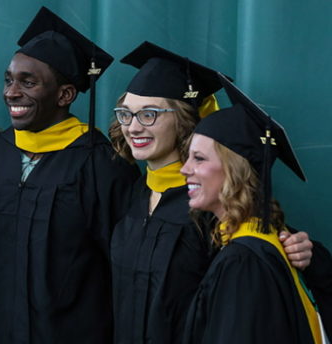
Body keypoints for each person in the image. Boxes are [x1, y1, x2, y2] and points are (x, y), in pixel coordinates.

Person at [109, 41, 322, 344]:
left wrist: (305, 252)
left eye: (149, 114)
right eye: (126, 114)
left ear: (184, 119)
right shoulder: (130, 193)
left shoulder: (211, 204)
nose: (132, 127)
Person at [0, 7, 141, 343]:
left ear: (65, 95)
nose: (10, 92)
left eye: (28, 82)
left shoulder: (101, 164)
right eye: (9, 80)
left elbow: (125, 267)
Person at [181, 73, 328, 343]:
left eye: (198, 158)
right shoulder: (261, 240)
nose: (184, 169)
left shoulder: (243, 261)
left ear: (235, 171)